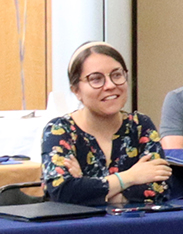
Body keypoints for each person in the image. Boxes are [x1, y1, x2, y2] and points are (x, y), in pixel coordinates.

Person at [44, 42, 172, 207]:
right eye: (96, 79)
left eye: (117, 75)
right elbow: (62, 192)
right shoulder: (60, 130)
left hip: (137, 227)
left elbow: (160, 188)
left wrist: (87, 186)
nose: (110, 85)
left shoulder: (140, 125)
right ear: (76, 90)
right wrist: (131, 177)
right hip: (76, 229)